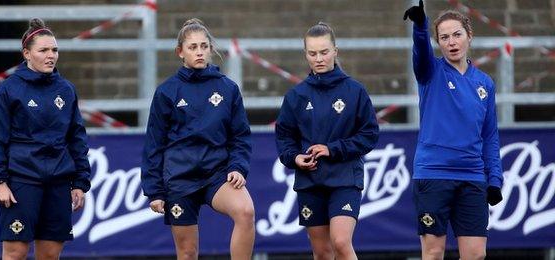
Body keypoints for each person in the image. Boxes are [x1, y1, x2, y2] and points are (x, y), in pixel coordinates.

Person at [141, 18, 255, 260]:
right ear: (180, 52)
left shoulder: (227, 88)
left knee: (245, 212)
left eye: (204, 46)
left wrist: (238, 167)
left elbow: (240, 136)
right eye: (192, 47)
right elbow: (154, 144)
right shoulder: (167, 92)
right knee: (188, 252)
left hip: (217, 174)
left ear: (210, 49)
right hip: (180, 179)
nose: (199, 52)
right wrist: (155, 191)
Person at [403, 1, 504, 259]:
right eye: (444, 37)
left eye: (457, 34)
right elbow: (421, 52)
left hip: (472, 176)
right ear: (438, 42)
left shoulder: (485, 83)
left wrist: (494, 179)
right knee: (434, 252)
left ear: (469, 36)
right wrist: (421, 27)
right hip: (434, 174)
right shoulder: (430, 71)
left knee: (476, 255)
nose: (451, 42)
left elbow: (490, 135)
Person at [0, 18, 91, 260]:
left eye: (54, 50)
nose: (50, 55)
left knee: (51, 254)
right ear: (27, 54)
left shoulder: (66, 89)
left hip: (58, 181)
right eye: (43, 50)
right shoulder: (8, 90)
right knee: (15, 252)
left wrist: (80, 182)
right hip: (21, 180)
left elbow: (77, 137)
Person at [275, 22, 379, 260]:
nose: (319, 58)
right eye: (312, 53)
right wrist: (294, 158)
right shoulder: (296, 96)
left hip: (345, 179)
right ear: (306, 55)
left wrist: (333, 150)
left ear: (335, 51)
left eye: (324, 52)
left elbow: (369, 135)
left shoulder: (355, 91)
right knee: (322, 253)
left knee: (341, 242)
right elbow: (284, 137)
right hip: (310, 182)